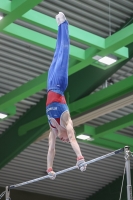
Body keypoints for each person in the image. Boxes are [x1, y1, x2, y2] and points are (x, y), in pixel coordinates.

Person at [46, 12, 87, 180]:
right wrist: (80, 158)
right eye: (66, 140)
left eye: (63, 141)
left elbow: (51, 149)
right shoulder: (66, 122)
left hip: (49, 86)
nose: (65, 140)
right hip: (59, 84)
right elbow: (72, 139)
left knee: (56, 55)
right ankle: (64, 24)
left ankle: (58, 27)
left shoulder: (53, 130)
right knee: (64, 52)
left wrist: (49, 168)